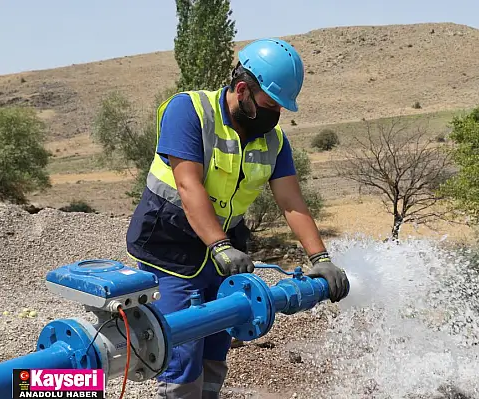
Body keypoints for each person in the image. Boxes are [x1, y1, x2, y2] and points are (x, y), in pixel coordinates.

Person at [125, 37, 349, 399]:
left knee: (217, 342)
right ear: (242, 89)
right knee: (181, 346)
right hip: (169, 245)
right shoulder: (189, 111)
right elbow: (188, 184)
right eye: (270, 104)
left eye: (280, 108)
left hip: (226, 247)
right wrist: (220, 245)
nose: (275, 114)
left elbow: (291, 200)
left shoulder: (273, 140)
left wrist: (320, 259)